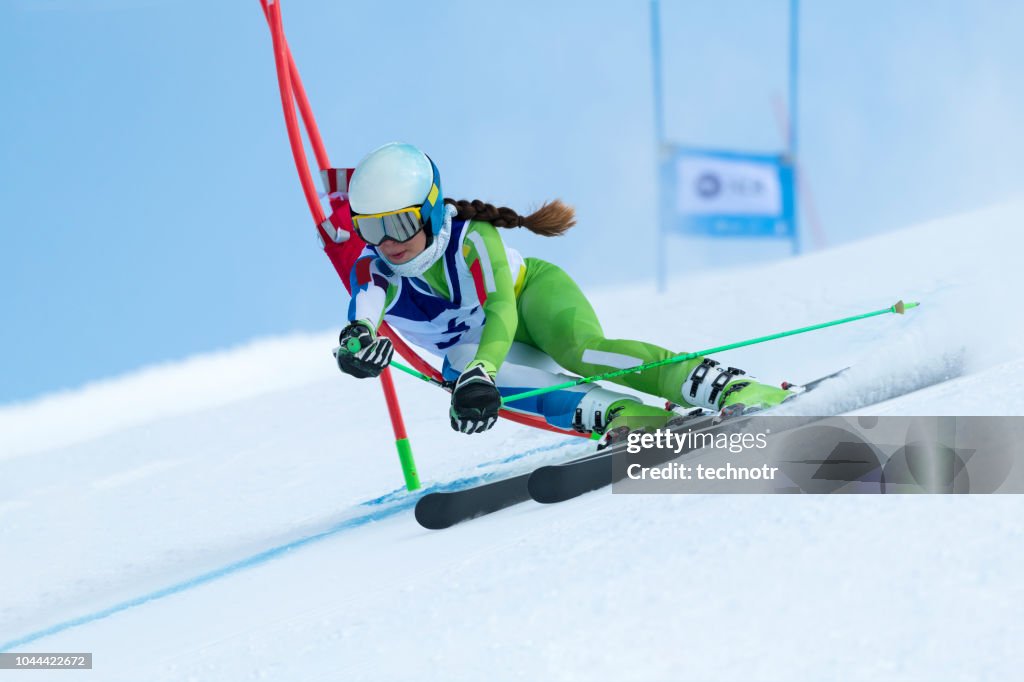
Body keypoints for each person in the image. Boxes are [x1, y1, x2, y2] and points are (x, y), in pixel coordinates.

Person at [334, 142, 792, 437]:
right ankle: (627, 418)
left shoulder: (472, 236)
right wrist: (355, 346)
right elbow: (363, 316)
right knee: (458, 368)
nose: (388, 241)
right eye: (370, 229)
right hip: (486, 349)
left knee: (582, 352)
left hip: (530, 301)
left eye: (398, 223)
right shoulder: (374, 269)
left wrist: (482, 370)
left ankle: (728, 388)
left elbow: (502, 310)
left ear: (431, 211)